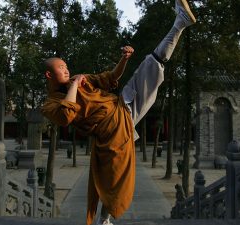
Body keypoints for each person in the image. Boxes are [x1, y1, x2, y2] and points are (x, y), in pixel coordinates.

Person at [41, 0, 196, 224]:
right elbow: (66, 116)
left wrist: (123, 60)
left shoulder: (83, 78)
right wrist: (75, 85)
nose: (66, 69)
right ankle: (105, 220)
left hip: (122, 104)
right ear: (49, 75)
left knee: (152, 62)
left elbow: (111, 78)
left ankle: (180, 23)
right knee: (111, 180)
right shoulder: (50, 103)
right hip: (111, 134)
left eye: (66, 66)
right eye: (61, 67)